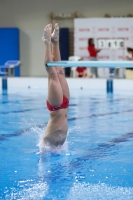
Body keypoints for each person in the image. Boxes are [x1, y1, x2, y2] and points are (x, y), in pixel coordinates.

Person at [42, 23, 70, 148]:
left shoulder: (46, 146)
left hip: (58, 106)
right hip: (60, 107)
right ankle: (50, 41)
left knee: (55, 74)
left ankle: (52, 42)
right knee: (57, 73)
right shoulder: (46, 147)